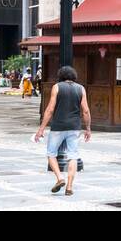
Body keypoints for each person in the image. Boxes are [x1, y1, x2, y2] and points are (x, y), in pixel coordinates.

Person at [33, 65, 91, 196]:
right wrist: (88, 128)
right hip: (75, 127)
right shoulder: (81, 88)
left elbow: (50, 109)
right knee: (73, 156)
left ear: (61, 76)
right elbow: (86, 111)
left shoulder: (57, 87)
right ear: (73, 76)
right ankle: (69, 187)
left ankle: (60, 178)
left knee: (51, 153)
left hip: (58, 127)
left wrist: (41, 129)